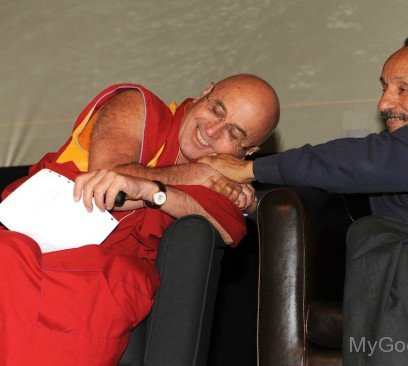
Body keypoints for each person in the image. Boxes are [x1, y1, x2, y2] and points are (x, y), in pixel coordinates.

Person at [199, 32, 408, 365]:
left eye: (402, 88)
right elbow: (326, 200)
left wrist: (250, 170)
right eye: (384, 87)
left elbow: (370, 160)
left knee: (375, 235)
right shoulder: (383, 164)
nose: (384, 103)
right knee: (398, 256)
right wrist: (252, 202)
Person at [0, 74, 279, 365]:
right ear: (204, 92)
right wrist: (192, 176)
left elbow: (228, 228)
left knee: (99, 288)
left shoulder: (222, 181)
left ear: (247, 152)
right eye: (216, 110)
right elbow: (109, 175)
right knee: (7, 255)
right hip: (38, 233)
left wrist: (154, 191)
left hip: (109, 270)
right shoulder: (138, 107)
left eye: (233, 134)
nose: (211, 130)